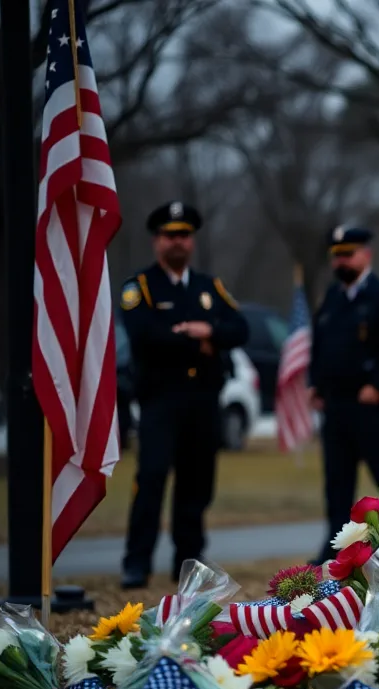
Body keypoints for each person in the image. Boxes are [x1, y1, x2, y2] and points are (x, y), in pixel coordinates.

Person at [118, 201, 249, 588]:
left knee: (197, 484)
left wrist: (206, 331)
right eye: (169, 235)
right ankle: (136, 562)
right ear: (157, 241)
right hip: (161, 399)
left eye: (184, 235)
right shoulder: (139, 287)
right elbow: (145, 337)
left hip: (203, 400)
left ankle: (189, 562)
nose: (177, 242)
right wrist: (201, 340)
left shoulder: (210, 287)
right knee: (152, 478)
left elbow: (239, 329)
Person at [309, 225, 379, 564]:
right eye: (336, 255)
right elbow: (319, 346)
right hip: (337, 407)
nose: (342, 261)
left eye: (348, 253)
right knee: (337, 481)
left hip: (374, 408)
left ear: (365, 255)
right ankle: (337, 544)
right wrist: (316, 384)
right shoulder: (332, 298)